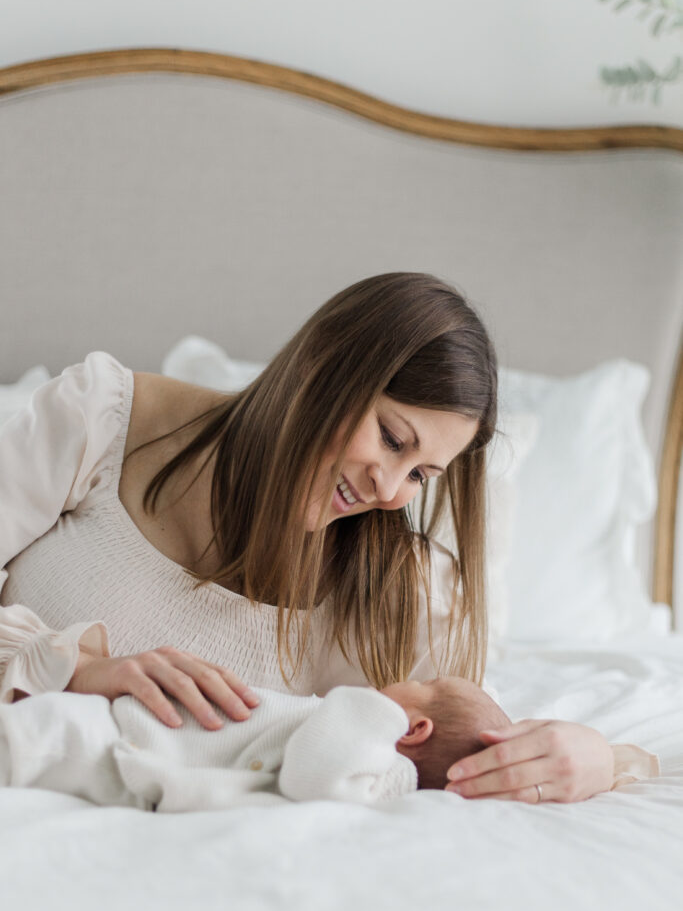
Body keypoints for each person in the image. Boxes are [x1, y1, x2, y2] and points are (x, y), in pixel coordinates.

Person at [0, 272, 655, 804]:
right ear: (320, 363)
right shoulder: (106, 421)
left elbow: (467, 750)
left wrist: (602, 758)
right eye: (392, 439)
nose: (389, 489)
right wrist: (80, 669)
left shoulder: (398, 595)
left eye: (421, 474)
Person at [0, 676, 511, 811]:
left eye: (423, 684)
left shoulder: (371, 765)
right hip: (135, 735)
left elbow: (313, 777)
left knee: (43, 732)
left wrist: (376, 711)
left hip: (127, 745)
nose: (403, 679)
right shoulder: (368, 761)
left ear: (413, 729)